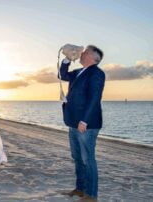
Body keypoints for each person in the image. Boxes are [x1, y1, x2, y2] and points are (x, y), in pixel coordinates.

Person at [60, 45, 105, 202]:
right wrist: (67, 59)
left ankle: (91, 196)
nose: (81, 53)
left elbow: (94, 98)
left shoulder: (97, 73)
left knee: (88, 159)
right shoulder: (78, 72)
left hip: (87, 124)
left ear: (93, 57)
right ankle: (80, 189)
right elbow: (62, 75)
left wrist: (84, 120)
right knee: (77, 157)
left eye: (84, 52)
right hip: (73, 120)